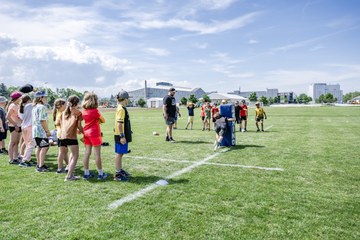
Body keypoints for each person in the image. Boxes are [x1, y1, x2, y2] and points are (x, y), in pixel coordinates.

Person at [81, 92, 108, 180]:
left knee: (87, 153)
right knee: (97, 154)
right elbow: (103, 120)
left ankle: (86, 173)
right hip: (94, 133)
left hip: (86, 133)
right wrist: (98, 120)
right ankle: (100, 174)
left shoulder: (84, 111)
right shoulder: (95, 111)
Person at [61, 95, 83, 181]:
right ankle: (69, 176)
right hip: (71, 137)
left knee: (72, 154)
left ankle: (70, 173)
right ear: (76, 103)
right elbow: (79, 126)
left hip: (63, 136)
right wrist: (84, 133)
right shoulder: (78, 112)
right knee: (75, 155)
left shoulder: (64, 112)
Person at [113, 90, 132, 181]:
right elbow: (119, 124)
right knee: (119, 154)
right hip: (121, 135)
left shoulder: (121, 107)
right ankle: (117, 174)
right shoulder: (121, 109)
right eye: (128, 99)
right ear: (124, 99)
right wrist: (122, 136)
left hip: (121, 134)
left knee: (121, 154)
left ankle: (120, 171)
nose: (128, 100)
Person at [32, 91, 51, 172]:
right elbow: (42, 120)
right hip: (41, 131)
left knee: (39, 147)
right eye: (45, 97)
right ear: (40, 98)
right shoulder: (42, 107)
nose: (46, 99)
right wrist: (47, 131)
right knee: (45, 147)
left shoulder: (35, 107)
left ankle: (39, 163)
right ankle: (41, 166)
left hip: (36, 130)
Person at [6, 91, 23, 164]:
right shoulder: (12, 105)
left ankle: (15, 157)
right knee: (12, 142)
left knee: (17, 142)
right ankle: (11, 159)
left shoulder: (18, 105)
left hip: (19, 125)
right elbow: (8, 116)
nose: (21, 98)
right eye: (20, 97)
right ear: (17, 98)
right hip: (13, 126)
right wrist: (15, 124)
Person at [53, 98, 69, 173]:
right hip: (62, 134)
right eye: (65, 104)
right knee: (62, 151)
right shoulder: (62, 113)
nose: (67, 105)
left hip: (61, 134)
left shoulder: (58, 112)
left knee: (65, 151)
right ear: (61, 105)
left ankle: (68, 165)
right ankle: (60, 168)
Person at [18, 95, 34, 167]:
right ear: (29, 100)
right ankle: (24, 160)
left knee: (27, 144)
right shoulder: (30, 105)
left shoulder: (20, 108)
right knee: (31, 144)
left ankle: (27, 159)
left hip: (23, 127)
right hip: (30, 126)